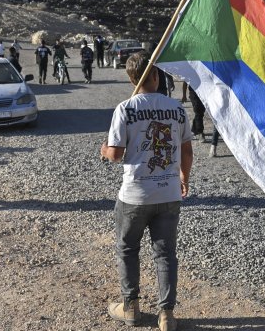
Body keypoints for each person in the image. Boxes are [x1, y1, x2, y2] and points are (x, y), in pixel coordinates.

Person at [101, 51, 193, 331]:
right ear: (155, 76)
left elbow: (116, 154)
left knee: (128, 249)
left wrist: (104, 151)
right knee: (165, 254)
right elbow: (187, 150)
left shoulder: (125, 109)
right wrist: (183, 178)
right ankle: (166, 315)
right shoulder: (177, 109)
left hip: (135, 194)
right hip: (168, 193)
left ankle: (131, 308)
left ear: (131, 78)